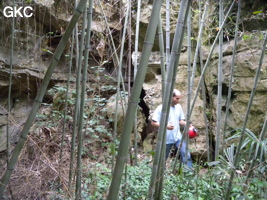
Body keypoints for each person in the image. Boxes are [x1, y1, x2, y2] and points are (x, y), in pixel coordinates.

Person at [151, 89, 192, 167]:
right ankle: (159, 176)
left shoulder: (178, 107)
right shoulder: (161, 108)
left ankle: (188, 175)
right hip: (165, 139)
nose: (178, 100)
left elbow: (180, 121)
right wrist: (165, 125)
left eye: (179, 98)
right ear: (171, 97)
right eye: (177, 98)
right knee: (163, 159)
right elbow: (153, 122)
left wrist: (188, 125)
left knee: (186, 155)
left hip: (178, 137)